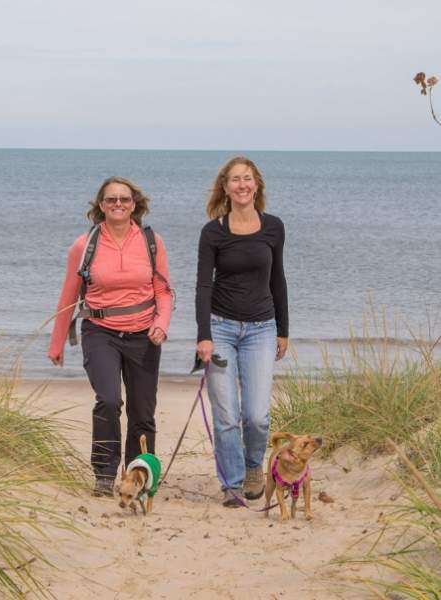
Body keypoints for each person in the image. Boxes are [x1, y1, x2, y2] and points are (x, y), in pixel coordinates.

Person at [48, 176, 172, 497]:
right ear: (100, 206)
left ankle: (138, 474)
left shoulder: (151, 241)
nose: (118, 204)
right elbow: (69, 295)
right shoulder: (84, 245)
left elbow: (164, 291)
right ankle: (104, 472)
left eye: (125, 200)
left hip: (144, 335)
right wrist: (57, 341)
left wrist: (162, 323)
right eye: (111, 200)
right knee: (108, 400)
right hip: (100, 332)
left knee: (142, 412)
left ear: (135, 205)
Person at [195, 156, 288, 508]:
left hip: (262, 330)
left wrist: (284, 330)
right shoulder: (213, 232)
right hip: (220, 328)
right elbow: (204, 286)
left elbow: (278, 279)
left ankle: (253, 467)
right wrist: (204, 334)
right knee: (226, 415)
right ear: (225, 187)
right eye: (235, 179)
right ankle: (232, 485)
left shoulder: (274, 227)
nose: (242, 185)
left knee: (257, 415)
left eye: (247, 178)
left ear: (257, 184)